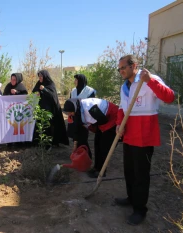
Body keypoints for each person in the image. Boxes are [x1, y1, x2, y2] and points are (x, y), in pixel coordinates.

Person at [115, 54, 175, 225]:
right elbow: (121, 107)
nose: (121, 71)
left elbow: (169, 97)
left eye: (123, 67)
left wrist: (150, 81)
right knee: (129, 171)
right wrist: (119, 124)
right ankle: (131, 198)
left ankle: (140, 209)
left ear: (134, 65)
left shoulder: (149, 79)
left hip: (144, 135)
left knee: (141, 174)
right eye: (119, 69)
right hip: (128, 136)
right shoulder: (124, 87)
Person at [63, 98, 118, 178]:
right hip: (101, 121)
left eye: (70, 112)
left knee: (104, 146)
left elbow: (103, 121)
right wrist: (75, 144)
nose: (70, 114)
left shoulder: (89, 107)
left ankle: (102, 171)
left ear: (74, 108)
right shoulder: (77, 110)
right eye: (68, 113)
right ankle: (96, 167)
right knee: (97, 143)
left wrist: (93, 126)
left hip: (112, 118)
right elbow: (78, 129)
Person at [32, 70, 69, 147]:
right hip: (40, 109)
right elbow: (34, 91)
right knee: (41, 125)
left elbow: (52, 96)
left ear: (45, 76)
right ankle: (41, 142)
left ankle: (51, 142)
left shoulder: (50, 84)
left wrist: (44, 89)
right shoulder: (38, 83)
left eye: (41, 76)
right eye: (39, 77)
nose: (40, 78)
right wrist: (37, 92)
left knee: (49, 126)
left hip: (50, 110)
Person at [67, 74, 96, 158]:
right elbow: (70, 103)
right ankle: (79, 155)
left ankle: (87, 156)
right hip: (75, 117)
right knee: (75, 136)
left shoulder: (89, 91)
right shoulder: (73, 91)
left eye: (76, 80)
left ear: (81, 81)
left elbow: (92, 104)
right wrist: (70, 111)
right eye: (75, 80)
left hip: (84, 118)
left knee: (83, 138)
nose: (74, 81)